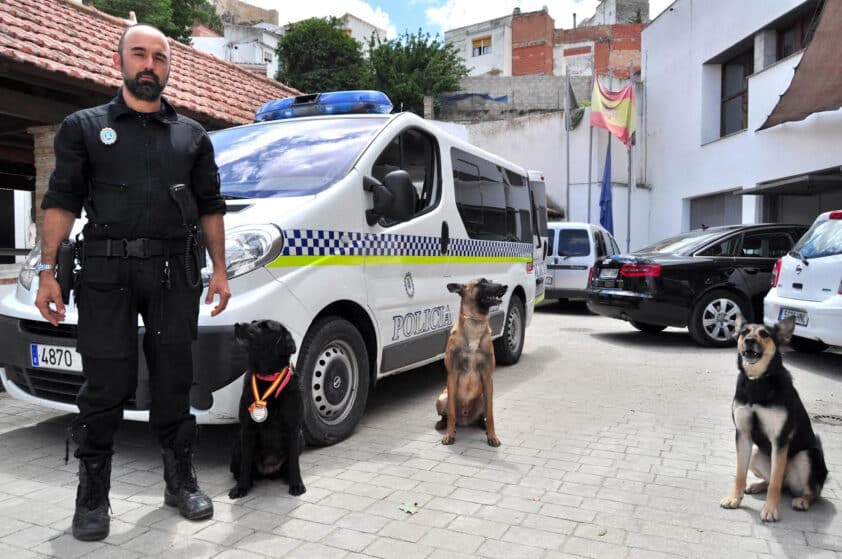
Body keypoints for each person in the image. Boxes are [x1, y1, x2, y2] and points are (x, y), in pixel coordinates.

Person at [34, 24, 231, 542]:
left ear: (169, 68)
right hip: (105, 273)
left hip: (173, 273)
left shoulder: (191, 135)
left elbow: (211, 207)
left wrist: (221, 271)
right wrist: (47, 271)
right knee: (105, 386)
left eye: (160, 58)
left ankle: (179, 479)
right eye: (139, 55)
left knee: (173, 379)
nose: (150, 65)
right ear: (119, 61)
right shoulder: (83, 126)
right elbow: (60, 201)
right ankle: (92, 496)